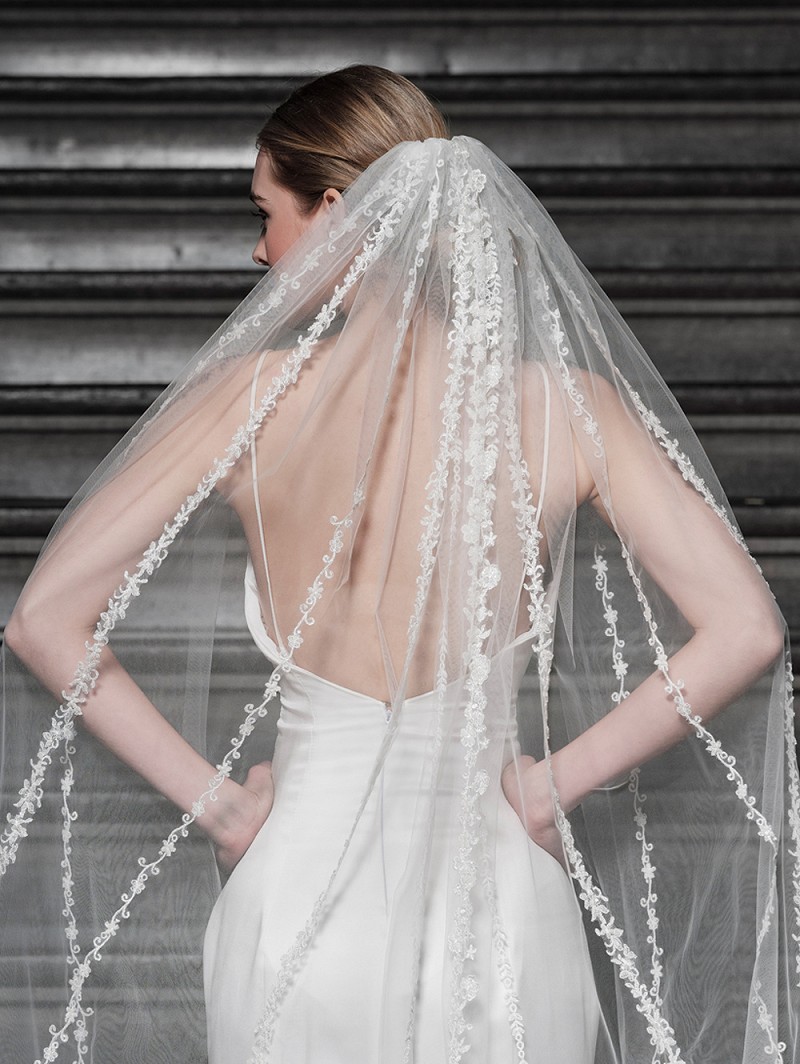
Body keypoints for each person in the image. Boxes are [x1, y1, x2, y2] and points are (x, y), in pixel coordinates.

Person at [0, 63, 797, 1064]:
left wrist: (225, 807)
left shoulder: (248, 401)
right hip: (496, 914)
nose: (258, 249)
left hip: (300, 906)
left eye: (266, 213)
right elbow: (746, 628)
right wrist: (553, 785)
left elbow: (42, 620)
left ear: (337, 210)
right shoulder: (564, 409)